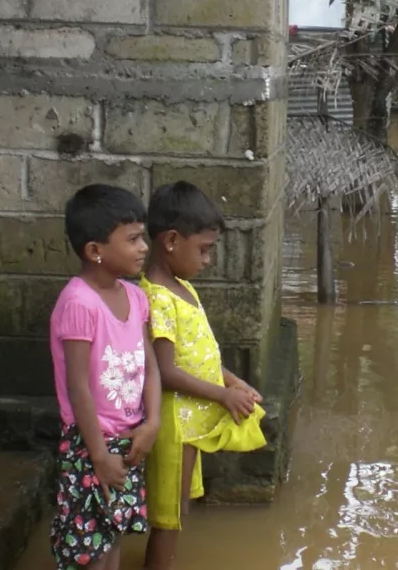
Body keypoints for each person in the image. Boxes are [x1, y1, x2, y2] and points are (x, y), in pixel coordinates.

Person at [141, 181, 268, 569]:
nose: (208, 260)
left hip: (190, 424)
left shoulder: (183, 289)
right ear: (171, 241)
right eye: (204, 249)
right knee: (168, 518)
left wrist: (232, 380)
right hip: (173, 426)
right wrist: (223, 395)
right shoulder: (157, 298)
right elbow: (165, 371)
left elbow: (200, 354)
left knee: (178, 510)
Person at [49, 185, 162, 570]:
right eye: (132, 239)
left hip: (129, 436)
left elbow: (149, 364)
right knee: (87, 547)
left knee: (112, 533)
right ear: (95, 250)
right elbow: (77, 385)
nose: (144, 246)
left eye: (142, 236)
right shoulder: (79, 303)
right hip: (89, 441)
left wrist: (153, 422)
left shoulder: (135, 297)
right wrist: (97, 453)